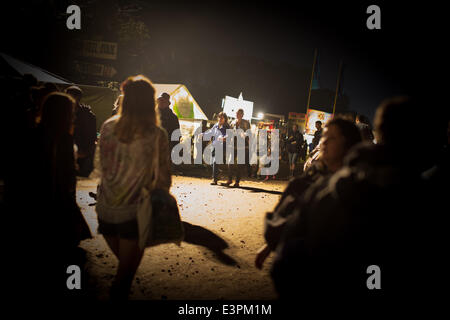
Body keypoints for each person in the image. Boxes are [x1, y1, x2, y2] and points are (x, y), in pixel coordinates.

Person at [271, 97, 433, 301]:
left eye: (331, 138)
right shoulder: (428, 199)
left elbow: (286, 261)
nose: (324, 144)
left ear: (379, 133)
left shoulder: (331, 187)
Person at [95, 75, 172, 300]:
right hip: (135, 213)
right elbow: (164, 179)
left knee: (124, 269)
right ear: (151, 102)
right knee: (124, 278)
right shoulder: (156, 134)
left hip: (105, 210)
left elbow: (101, 168)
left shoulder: (108, 127)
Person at [255, 118, 362, 269]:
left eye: (331, 138)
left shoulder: (354, 188)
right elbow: (292, 213)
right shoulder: (313, 175)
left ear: (348, 144)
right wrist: (270, 245)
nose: (323, 142)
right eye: (324, 136)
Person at [65, 85, 97, 177]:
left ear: (77, 97)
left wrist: (86, 151)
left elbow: (92, 136)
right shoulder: (64, 112)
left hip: (81, 151)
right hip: (67, 150)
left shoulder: (88, 115)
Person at [201, 112, 230, 185]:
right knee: (211, 162)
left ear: (225, 119)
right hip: (214, 145)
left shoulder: (226, 126)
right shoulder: (216, 125)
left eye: (222, 117)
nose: (220, 119)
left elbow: (228, 134)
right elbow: (210, 132)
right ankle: (218, 172)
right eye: (219, 117)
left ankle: (214, 179)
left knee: (215, 162)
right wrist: (203, 134)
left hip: (221, 146)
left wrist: (224, 138)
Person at [226, 109, 251, 187]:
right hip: (233, 145)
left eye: (239, 113)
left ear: (242, 115)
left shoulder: (246, 123)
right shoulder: (233, 122)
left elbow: (249, 132)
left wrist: (244, 134)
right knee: (230, 163)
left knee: (240, 165)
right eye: (237, 113)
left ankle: (237, 181)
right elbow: (229, 132)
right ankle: (230, 179)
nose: (237, 115)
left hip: (242, 146)